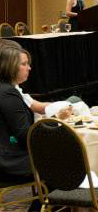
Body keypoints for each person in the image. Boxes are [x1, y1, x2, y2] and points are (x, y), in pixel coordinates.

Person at [0, 46, 72, 182]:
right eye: (24, 64)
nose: (29, 68)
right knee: (69, 155)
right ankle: (50, 201)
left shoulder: (8, 89)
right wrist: (56, 119)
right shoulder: (7, 93)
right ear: (9, 66)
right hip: (11, 162)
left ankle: (47, 200)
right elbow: (25, 135)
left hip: (8, 155)